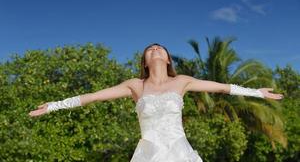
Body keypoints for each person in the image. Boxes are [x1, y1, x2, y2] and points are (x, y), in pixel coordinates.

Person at [29, 43, 284, 162]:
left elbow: (222, 88)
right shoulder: (134, 85)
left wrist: (258, 93)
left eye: (160, 48)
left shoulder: (182, 81)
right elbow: (93, 96)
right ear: (145, 61)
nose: (155, 50)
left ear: (168, 59)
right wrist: (54, 105)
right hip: (148, 154)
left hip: (180, 151)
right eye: (150, 50)